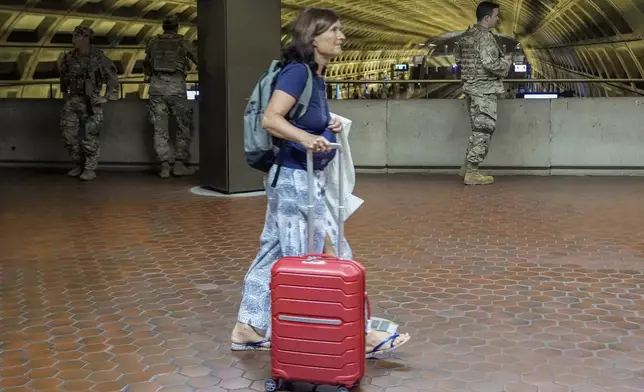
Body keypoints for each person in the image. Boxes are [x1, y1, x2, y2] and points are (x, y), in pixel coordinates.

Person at [230, 8, 410, 358]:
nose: (342, 37)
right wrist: (306, 139)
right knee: (331, 256)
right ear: (314, 36)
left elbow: (303, 118)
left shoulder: (315, 77)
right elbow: (272, 119)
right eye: (335, 31)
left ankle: (246, 327)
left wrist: (329, 125)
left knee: (273, 254)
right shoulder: (298, 73)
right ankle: (359, 334)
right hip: (296, 180)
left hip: (296, 179)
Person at [455, 1, 513, 185]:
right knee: (484, 130)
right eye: (496, 16)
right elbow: (491, 64)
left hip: (471, 89)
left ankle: (466, 167)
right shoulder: (485, 38)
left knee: (477, 130)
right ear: (487, 18)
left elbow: (458, 58)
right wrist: (507, 64)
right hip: (484, 91)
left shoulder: (466, 36)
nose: (498, 19)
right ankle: (472, 172)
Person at [58, 26, 119, 181]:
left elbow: (112, 79)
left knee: (90, 137)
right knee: (68, 136)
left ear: (85, 38)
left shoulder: (99, 58)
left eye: (76, 37)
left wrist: (106, 97)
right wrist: (65, 94)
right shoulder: (69, 58)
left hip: (91, 101)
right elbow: (63, 77)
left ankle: (89, 168)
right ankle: (79, 163)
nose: (73, 40)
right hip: (73, 100)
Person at [144, 15, 198, 178]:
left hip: (156, 89)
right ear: (177, 27)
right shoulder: (183, 42)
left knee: (160, 129)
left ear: (163, 27)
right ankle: (179, 164)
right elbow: (199, 59)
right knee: (183, 126)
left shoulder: (153, 42)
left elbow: (147, 64)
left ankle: (164, 166)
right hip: (177, 89)